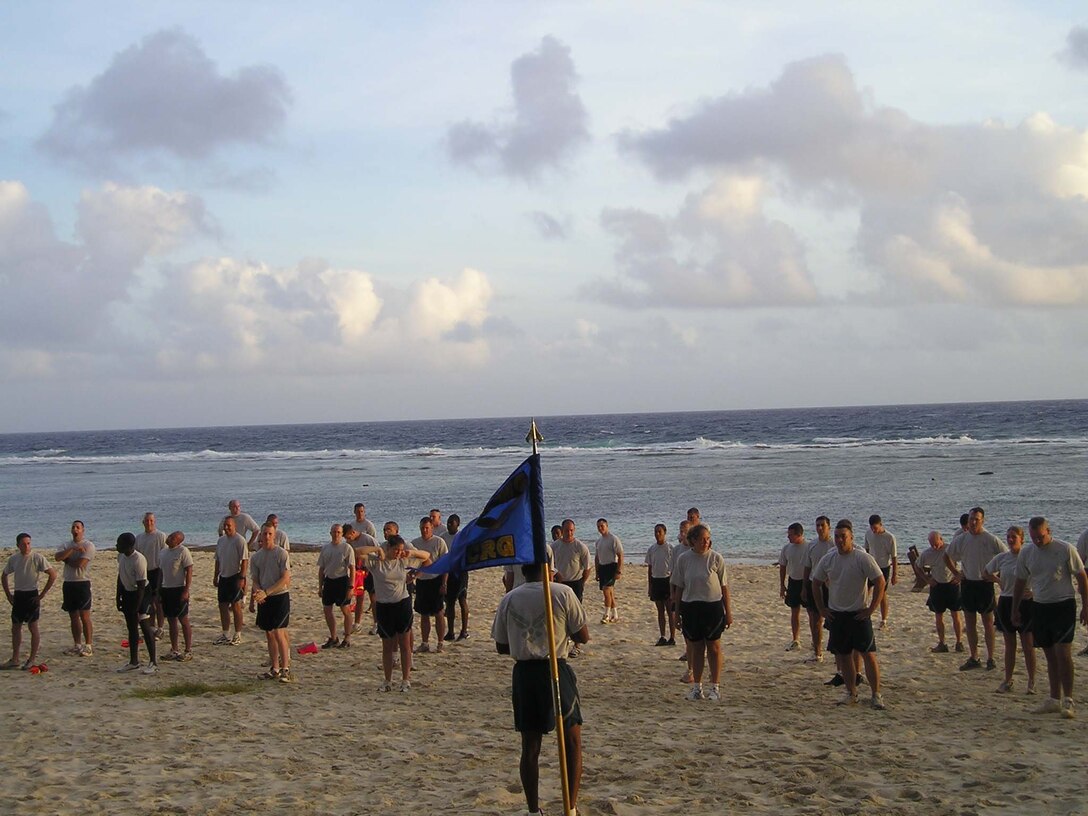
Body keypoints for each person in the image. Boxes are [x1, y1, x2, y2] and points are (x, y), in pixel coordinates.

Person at [492, 561, 590, 816]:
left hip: (525, 673)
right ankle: (571, 805)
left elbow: (501, 646)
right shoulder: (562, 592)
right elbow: (583, 636)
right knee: (572, 740)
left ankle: (533, 809)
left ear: (523, 571)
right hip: (554, 667)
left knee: (530, 745)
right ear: (548, 570)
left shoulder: (510, 598)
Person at [1013, 517, 1088, 718]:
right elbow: (1020, 581)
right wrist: (1016, 607)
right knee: (1050, 655)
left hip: (1063, 605)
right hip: (1040, 606)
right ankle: (1054, 699)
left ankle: (1068, 699)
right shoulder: (1027, 553)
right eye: (1034, 537)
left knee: (1063, 653)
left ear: (1049, 531)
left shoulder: (1065, 549)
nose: (1037, 540)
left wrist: (1086, 606)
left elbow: (1081, 576)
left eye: (1041, 536)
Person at [811, 519, 886, 710]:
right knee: (843, 656)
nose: (839, 540)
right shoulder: (829, 558)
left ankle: (876, 694)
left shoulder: (862, 558)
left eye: (843, 537)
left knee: (868, 654)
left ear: (851, 537)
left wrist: (871, 609)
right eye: (836, 536)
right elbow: (816, 582)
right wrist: (821, 608)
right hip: (837, 615)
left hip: (858, 614)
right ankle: (851, 692)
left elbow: (880, 581)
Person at [360, 533, 432, 691]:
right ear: (388, 548)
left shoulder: (404, 559)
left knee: (404, 644)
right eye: (396, 550)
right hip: (384, 606)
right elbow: (357, 552)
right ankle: (387, 680)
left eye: (401, 550)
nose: (399, 553)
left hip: (402, 603)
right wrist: (377, 549)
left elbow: (427, 559)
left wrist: (413, 567)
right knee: (387, 645)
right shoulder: (377, 562)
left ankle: (406, 680)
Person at [671, 524, 732, 702]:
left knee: (714, 648)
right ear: (693, 540)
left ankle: (715, 687)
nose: (706, 542)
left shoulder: (716, 558)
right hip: (691, 607)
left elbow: (724, 587)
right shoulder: (683, 559)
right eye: (702, 539)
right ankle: (697, 688)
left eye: (708, 539)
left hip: (713, 607)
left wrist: (728, 612)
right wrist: (676, 614)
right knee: (696, 648)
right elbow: (679, 588)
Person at [947, 506, 1005, 671]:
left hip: (984, 584)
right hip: (968, 583)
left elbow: (1006, 557)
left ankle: (991, 658)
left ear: (982, 520)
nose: (973, 522)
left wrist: (996, 577)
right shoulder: (962, 539)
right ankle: (974, 657)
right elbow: (947, 555)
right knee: (970, 623)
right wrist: (956, 573)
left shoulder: (990, 539)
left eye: (976, 519)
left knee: (988, 623)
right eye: (971, 519)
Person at [983, 526, 1036, 694]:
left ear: (1022, 539)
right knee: (1009, 644)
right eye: (1008, 537)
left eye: (1014, 537)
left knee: (1028, 644)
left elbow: (1040, 575)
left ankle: (1031, 681)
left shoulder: (1028, 557)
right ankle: (1008, 680)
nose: (1011, 539)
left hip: (1026, 601)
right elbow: (985, 572)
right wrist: (998, 580)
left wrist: (1034, 590)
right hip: (1006, 601)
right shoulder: (1002, 558)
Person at [1, 533, 57, 670]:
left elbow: (52, 574)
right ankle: (15, 659)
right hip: (18, 594)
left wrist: (42, 594)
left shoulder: (37, 557)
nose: (26, 546)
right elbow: (4, 575)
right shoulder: (14, 559)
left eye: (28, 543)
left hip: (32, 594)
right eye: (23, 544)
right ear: (18, 545)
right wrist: (8, 594)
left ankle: (31, 659)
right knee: (16, 627)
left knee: (33, 627)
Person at [250, 524, 293, 683]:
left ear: (274, 536)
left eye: (270, 534)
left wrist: (267, 592)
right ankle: (274, 668)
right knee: (268, 633)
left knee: (279, 632)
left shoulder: (281, 553)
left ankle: (285, 668)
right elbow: (255, 579)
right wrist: (258, 592)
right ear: (260, 536)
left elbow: (285, 579)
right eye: (264, 534)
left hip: (280, 596)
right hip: (264, 598)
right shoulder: (256, 557)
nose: (267, 536)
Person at [114, 532, 158, 675]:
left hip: (142, 593)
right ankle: (134, 662)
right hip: (128, 592)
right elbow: (120, 577)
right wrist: (118, 596)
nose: (116, 546)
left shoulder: (139, 559)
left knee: (144, 624)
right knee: (131, 627)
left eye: (119, 544)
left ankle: (153, 662)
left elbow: (140, 585)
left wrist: (138, 607)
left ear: (128, 546)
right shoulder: (121, 557)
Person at [918, 531, 964, 654]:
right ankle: (942, 642)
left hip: (952, 585)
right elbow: (918, 566)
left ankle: (959, 642)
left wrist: (960, 576)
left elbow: (967, 560)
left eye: (936, 543)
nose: (934, 546)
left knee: (956, 614)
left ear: (941, 539)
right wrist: (927, 579)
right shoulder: (927, 553)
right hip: (937, 586)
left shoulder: (951, 549)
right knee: (939, 616)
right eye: (931, 544)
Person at [55, 520, 95, 657]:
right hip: (69, 582)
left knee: (85, 616)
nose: (75, 529)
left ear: (83, 530)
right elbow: (57, 557)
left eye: (78, 527)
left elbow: (80, 564)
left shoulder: (88, 545)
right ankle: (77, 644)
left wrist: (67, 560)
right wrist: (72, 550)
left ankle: (88, 645)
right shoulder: (66, 545)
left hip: (82, 583)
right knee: (73, 616)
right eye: (73, 527)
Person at [412, 517, 449, 653]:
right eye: (422, 528)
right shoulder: (415, 543)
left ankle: (440, 642)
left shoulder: (439, 542)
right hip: (422, 581)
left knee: (439, 612)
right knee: (423, 613)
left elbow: (445, 564)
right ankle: (425, 642)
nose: (425, 530)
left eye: (427, 528)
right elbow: (412, 563)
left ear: (432, 528)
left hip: (436, 580)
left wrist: (444, 583)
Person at [801, 516, 834, 666]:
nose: (820, 528)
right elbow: (807, 566)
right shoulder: (812, 545)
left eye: (822, 525)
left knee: (833, 620)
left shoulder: (834, 544)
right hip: (814, 584)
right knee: (815, 620)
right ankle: (817, 652)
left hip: (831, 587)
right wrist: (804, 587)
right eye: (817, 525)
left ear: (829, 527)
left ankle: (838, 652)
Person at [317, 523, 355, 649]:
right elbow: (322, 568)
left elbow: (352, 568)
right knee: (327, 610)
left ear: (342, 534)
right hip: (329, 581)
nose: (336, 534)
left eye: (338, 532)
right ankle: (333, 638)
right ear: (330, 533)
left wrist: (351, 587)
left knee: (345, 609)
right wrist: (320, 586)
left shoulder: (346, 548)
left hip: (342, 581)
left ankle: (347, 637)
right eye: (334, 532)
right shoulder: (326, 548)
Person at [159, 531, 194, 662]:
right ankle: (174, 649)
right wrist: (159, 590)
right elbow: (161, 572)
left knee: (183, 619)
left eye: (173, 538)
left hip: (179, 589)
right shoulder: (163, 552)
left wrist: (186, 590)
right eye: (170, 536)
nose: (169, 538)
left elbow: (189, 570)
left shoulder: (183, 551)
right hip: (166, 589)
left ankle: (188, 650)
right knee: (171, 620)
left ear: (179, 541)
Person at [213, 516, 248, 645]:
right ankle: (225, 633)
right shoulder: (221, 541)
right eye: (225, 525)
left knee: (236, 606)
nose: (227, 528)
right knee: (222, 605)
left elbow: (245, 560)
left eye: (229, 525)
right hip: (223, 576)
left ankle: (237, 634)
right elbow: (217, 559)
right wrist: (215, 575)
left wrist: (242, 578)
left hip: (235, 576)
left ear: (234, 526)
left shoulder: (240, 540)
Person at [134, 512, 167, 637]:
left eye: (151, 521)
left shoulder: (161, 536)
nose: (149, 523)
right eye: (147, 521)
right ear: (143, 523)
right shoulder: (139, 538)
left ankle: (161, 627)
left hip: (158, 570)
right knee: (148, 600)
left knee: (158, 601)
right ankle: (152, 626)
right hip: (145, 571)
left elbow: (165, 553)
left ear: (155, 522)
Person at [864, 515, 897, 628]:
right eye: (872, 528)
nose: (874, 530)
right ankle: (865, 612)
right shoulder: (868, 533)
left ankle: (884, 619)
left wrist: (894, 575)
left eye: (876, 528)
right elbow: (866, 549)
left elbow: (894, 557)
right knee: (865, 590)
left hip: (884, 568)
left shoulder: (889, 537)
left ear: (880, 524)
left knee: (882, 593)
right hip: (871, 566)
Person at [644, 523, 675, 646]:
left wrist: (673, 586)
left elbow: (674, 568)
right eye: (655, 532)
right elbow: (650, 568)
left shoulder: (670, 548)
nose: (657, 534)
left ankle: (672, 637)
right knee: (660, 611)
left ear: (664, 533)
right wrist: (650, 586)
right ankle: (662, 636)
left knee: (670, 611)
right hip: (656, 580)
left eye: (659, 532)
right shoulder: (652, 549)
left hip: (667, 580)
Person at [442, 514, 471, 642]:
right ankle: (450, 632)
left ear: (457, 524)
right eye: (448, 523)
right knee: (449, 602)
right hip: (448, 571)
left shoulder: (462, 537)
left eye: (451, 523)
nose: (449, 525)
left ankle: (464, 631)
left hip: (461, 572)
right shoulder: (443, 537)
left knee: (462, 599)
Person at [778, 523, 807, 651]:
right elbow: (783, 566)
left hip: (807, 582)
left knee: (813, 614)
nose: (788, 537)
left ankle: (815, 641)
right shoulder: (787, 548)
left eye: (790, 535)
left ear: (799, 534)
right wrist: (782, 585)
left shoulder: (808, 547)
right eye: (788, 534)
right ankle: (796, 639)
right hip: (793, 581)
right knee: (794, 611)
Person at [553, 519, 591, 602]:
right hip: (560, 582)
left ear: (574, 530)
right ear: (562, 531)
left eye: (571, 530)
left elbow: (587, 567)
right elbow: (550, 565)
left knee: (576, 608)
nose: (569, 533)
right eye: (566, 530)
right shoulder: (554, 546)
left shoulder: (580, 546)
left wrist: (582, 582)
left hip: (576, 582)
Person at [594, 518, 624, 624]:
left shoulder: (613, 539)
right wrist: (597, 571)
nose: (600, 528)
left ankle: (606, 614)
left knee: (606, 591)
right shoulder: (599, 541)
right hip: (602, 568)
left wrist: (619, 571)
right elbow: (597, 557)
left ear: (607, 526)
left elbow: (620, 555)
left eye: (602, 526)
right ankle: (615, 614)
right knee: (609, 592)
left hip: (611, 567)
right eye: (598, 526)